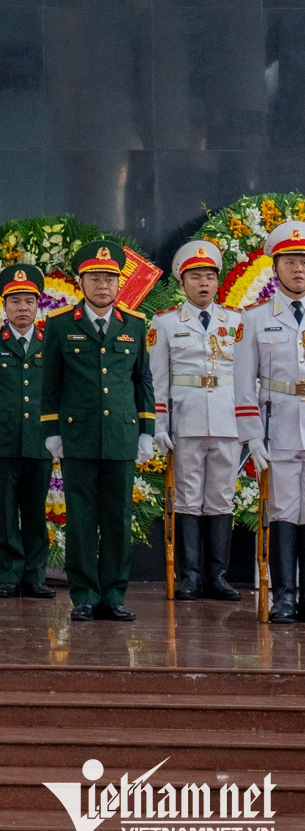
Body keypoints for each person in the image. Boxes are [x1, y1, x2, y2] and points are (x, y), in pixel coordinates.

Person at [40, 238, 156, 622]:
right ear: (81, 282)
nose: (103, 285)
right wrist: (52, 430)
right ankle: (85, 596)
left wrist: (146, 430)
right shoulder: (60, 325)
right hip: (79, 435)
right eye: (95, 278)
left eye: (110, 278)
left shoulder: (134, 325)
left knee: (118, 518)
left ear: (119, 283)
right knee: (81, 518)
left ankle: (114, 595)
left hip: (122, 435)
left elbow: (143, 381)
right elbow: (50, 384)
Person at [148, 239, 254, 602]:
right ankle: (190, 575)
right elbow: (158, 381)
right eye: (195, 277)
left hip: (227, 419)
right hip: (187, 420)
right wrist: (159, 425)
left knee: (221, 498)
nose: (204, 283)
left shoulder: (237, 321)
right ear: (182, 282)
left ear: (218, 281)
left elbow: (248, 378)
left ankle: (217, 575)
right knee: (188, 498)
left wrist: (251, 424)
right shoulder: (165, 323)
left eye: (210, 276)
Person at [0, 265, 55, 599]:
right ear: (4, 306)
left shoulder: (50, 344)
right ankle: (9, 576)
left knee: (35, 514)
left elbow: (58, 393)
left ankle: (35, 577)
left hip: (40, 442)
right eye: (15, 301)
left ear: (38, 305)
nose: (22, 308)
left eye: (29, 301)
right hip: (1, 444)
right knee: (5, 514)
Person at [244, 221, 305, 624]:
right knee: (283, 511)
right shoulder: (255, 318)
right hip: (278, 426)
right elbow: (243, 384)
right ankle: (285, 596)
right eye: (291, 261)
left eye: (304, 261)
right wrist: (251, 435)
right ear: (275, 267)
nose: (299, 268)